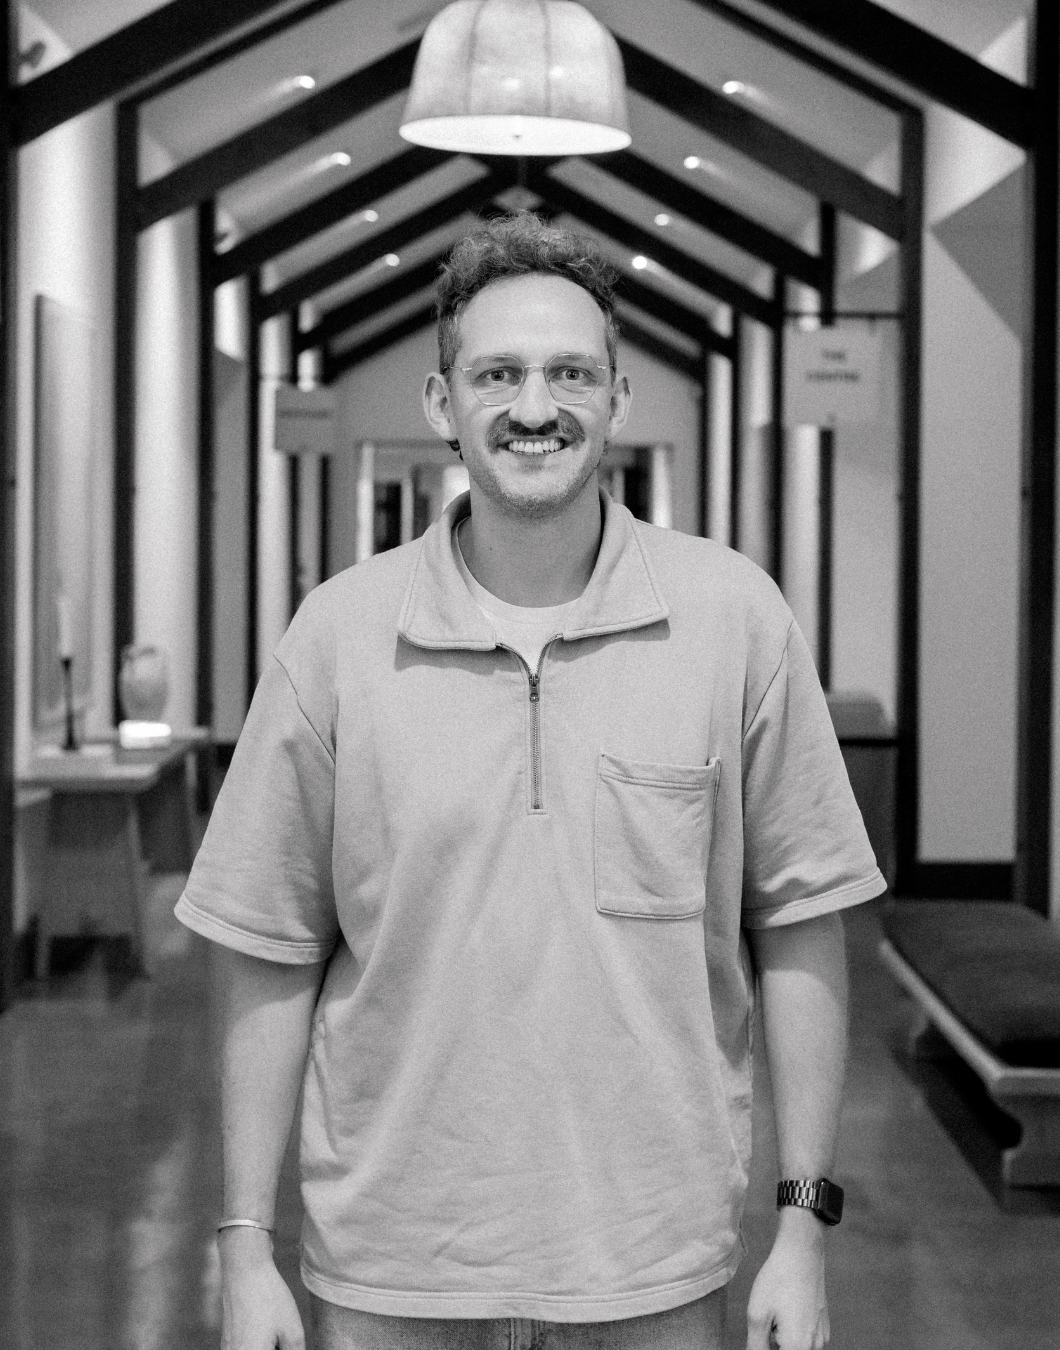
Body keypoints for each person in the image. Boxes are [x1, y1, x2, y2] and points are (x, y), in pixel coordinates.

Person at [176, 211, 886, 1350]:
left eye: (570, 373)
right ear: (440, 402)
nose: (535, 407)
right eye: (496, 373)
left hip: (653, 1274)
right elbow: (265, 943)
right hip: (389, 1277)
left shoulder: (732, 619)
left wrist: (803, 1229)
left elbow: (801, 920)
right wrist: (243, 1242)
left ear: (618, 399)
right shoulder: (340, 638)